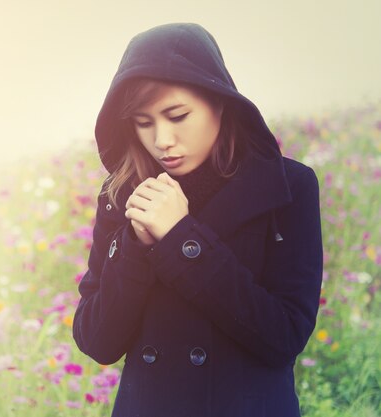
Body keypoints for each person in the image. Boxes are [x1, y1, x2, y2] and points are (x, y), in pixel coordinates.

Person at [72, 22, 323, 417]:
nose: (162, 139)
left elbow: (284, 335)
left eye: (177, 115)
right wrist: (136, 246)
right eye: (143, 122)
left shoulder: (288, 187)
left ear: (219, 101)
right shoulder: (122, 193)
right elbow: (98, 341)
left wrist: (180, 239)